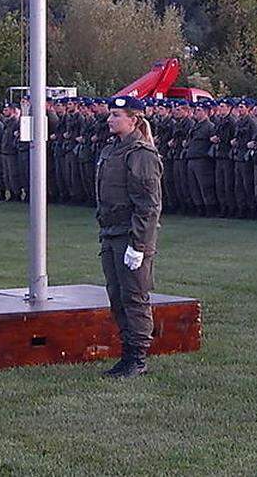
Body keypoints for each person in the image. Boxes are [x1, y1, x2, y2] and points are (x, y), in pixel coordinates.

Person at [94, 96, 163, 379]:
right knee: (117, 295)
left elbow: (148, 205)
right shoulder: (113, 149)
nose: (110, 120)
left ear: (133, 120)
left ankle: (137, 356)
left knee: (134, 296)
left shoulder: (141, 154)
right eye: (110, 115)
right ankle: (127, 352)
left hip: (130, 235)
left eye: (116, 116)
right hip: (111, 233)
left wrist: (138, 244)